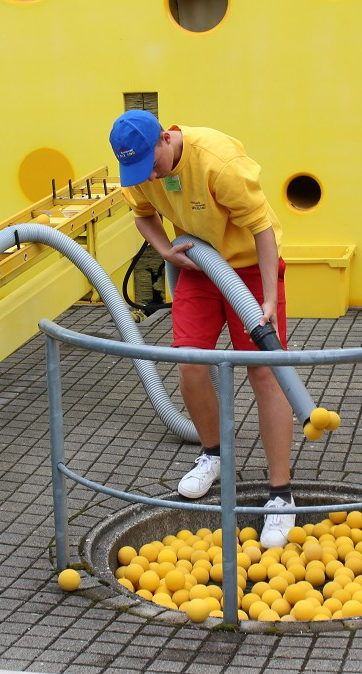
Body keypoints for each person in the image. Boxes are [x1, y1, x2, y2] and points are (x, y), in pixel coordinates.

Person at [108, 109, 296, 548]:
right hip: (199, 265)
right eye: (139, 170)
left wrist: (268, 296)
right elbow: (143, 215)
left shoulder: (217, 161)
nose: (150, 175)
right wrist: (166, 253)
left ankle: (281, 494)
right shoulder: (140, 168)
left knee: (264, 372)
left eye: (152, 163)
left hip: (249, 268)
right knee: (189, 364)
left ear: (165, 138)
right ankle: (213, 456)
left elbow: (262, 227)